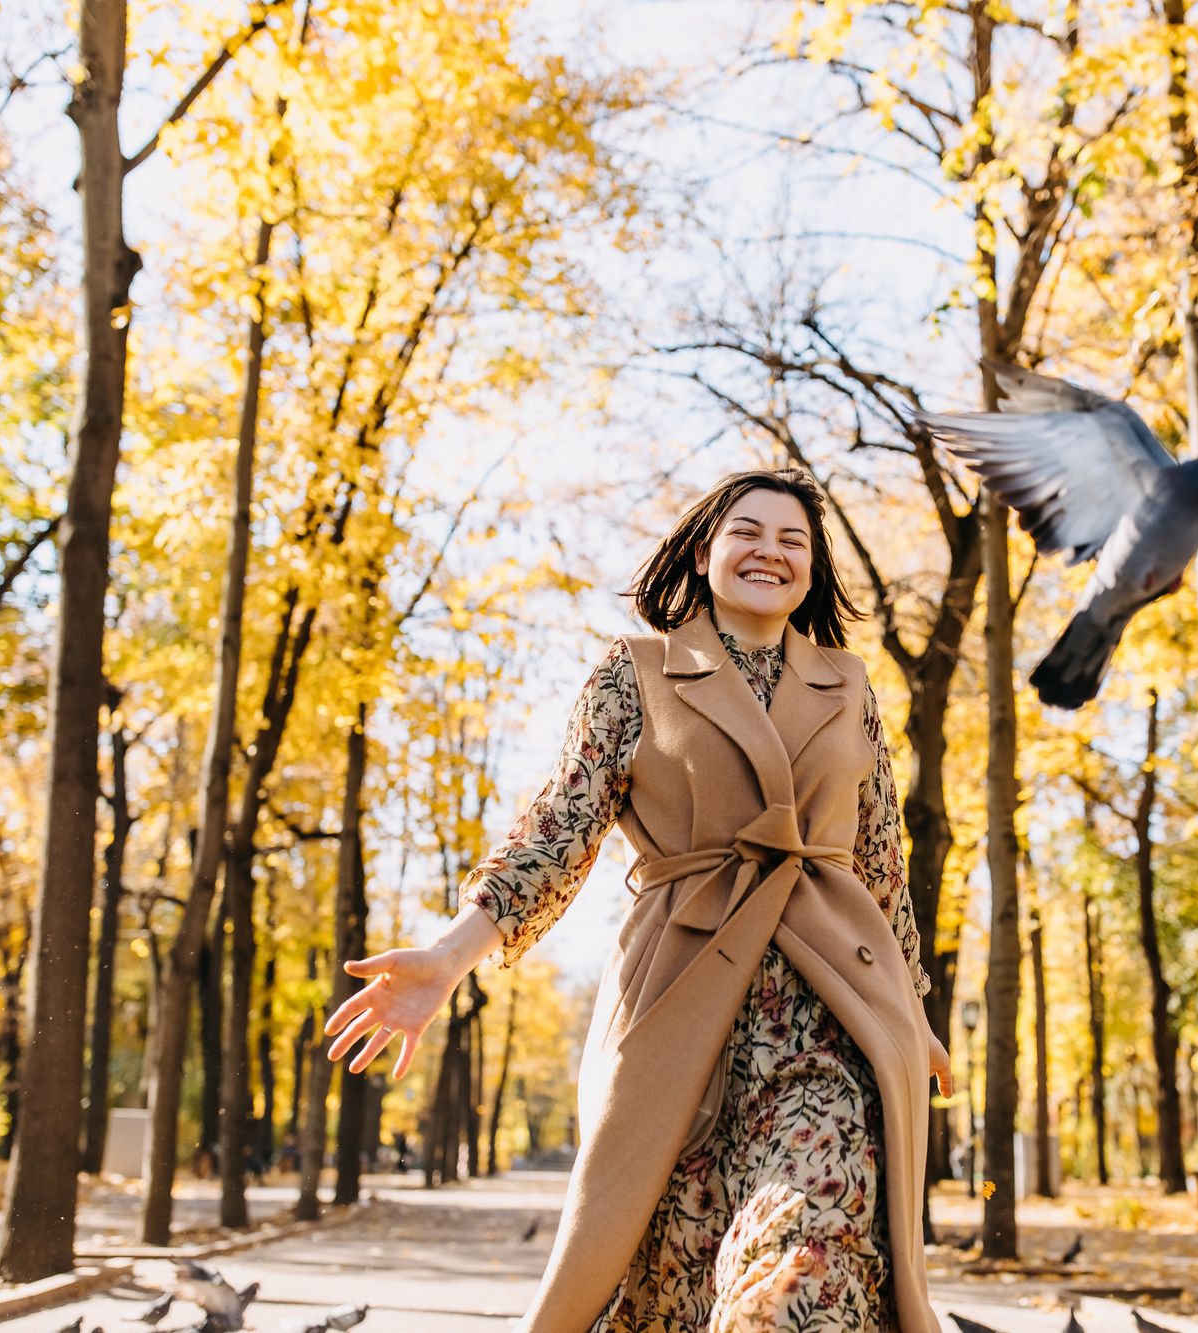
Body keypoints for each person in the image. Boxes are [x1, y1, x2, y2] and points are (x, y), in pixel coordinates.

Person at [324, 468, 954, 1332]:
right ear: (704, 553)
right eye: (748, 532)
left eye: (793, 540)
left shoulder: (847, 683)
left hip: (829, 1018)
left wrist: (911, 1010)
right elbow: (559, 828)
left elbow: (881, 857)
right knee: (667, 1279)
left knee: (807, 1263)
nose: (770, 551)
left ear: (811, 569)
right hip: (677, 1001)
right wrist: (447, 959)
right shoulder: (636, 673)